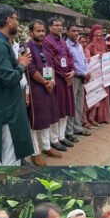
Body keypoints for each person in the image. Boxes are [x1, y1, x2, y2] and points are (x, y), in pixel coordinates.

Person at [0, 4, 33, 165]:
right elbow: (8, 78)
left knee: (6, 150)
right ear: (8, 20)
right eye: (16, 19)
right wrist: (22, 64)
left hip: (2, 105)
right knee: (9, 153)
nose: (18, 23)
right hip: (6, 108)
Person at [26, 19, 61, 165]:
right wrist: (45, 82)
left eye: (42, 31)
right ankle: (35, 153)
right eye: (38, 31)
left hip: (48, 88)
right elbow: (30, 68)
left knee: (47, 117)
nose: (41, 33)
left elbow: (50, 65)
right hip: (36, 90)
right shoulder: (27, 48)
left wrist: (51, 81)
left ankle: (46, 147)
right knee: (35, 121)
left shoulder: (45, 47)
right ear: (31, 32)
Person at [43, 17, 76, 152]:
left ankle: (61, 136)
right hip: (57, 80)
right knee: (56, 109)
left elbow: (69, 56)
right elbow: (50, 62)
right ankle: (54, 139)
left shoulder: (62, 41)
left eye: (60, 25)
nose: (59, 27)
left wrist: (72, 71)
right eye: (56, 25)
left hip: (67, 78)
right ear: (49, 27)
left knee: (66, 108)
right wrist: (64, 75)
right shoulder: (47, 41)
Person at [65, 24, 91, 141]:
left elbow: (84, 61)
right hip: (74, 77)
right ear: (67, 32)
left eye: (77, 31)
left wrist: (87, 72)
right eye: (73, 31)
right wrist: (83, 73)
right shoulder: (66, 46)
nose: (76, 33)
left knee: (79, 103)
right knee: (71, 104)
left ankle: (77, 127)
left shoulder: (79, 46)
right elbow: (72, 64)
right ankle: (69, 131)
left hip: (82, 78)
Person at [86, 24, 110, 124]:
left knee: (105, 94)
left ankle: (104, 116)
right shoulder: (90, 46)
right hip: (95, 77)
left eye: (101, 35)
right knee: (96, 96)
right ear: (92, 36)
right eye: (97, 35)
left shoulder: (104, 45)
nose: (99, 37)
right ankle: (94, 118)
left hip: (104, 74)